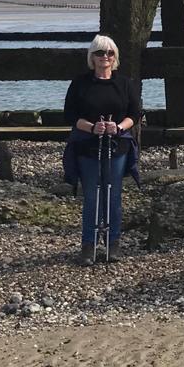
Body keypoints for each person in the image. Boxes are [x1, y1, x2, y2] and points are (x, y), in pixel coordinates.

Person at [63, 34, 141, 265]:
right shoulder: (80, 83)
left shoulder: (125, 83)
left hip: (117, 146)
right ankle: (88, 244)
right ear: (92, 57)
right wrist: (91, 127)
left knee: (113, 194)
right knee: (92, 196)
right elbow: (70, 114)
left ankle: (113, 242)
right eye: (99, 53)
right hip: (87, 146)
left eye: (109, 53)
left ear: (115, 57)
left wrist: (117, 127)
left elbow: (134, 114)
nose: (104, 57)